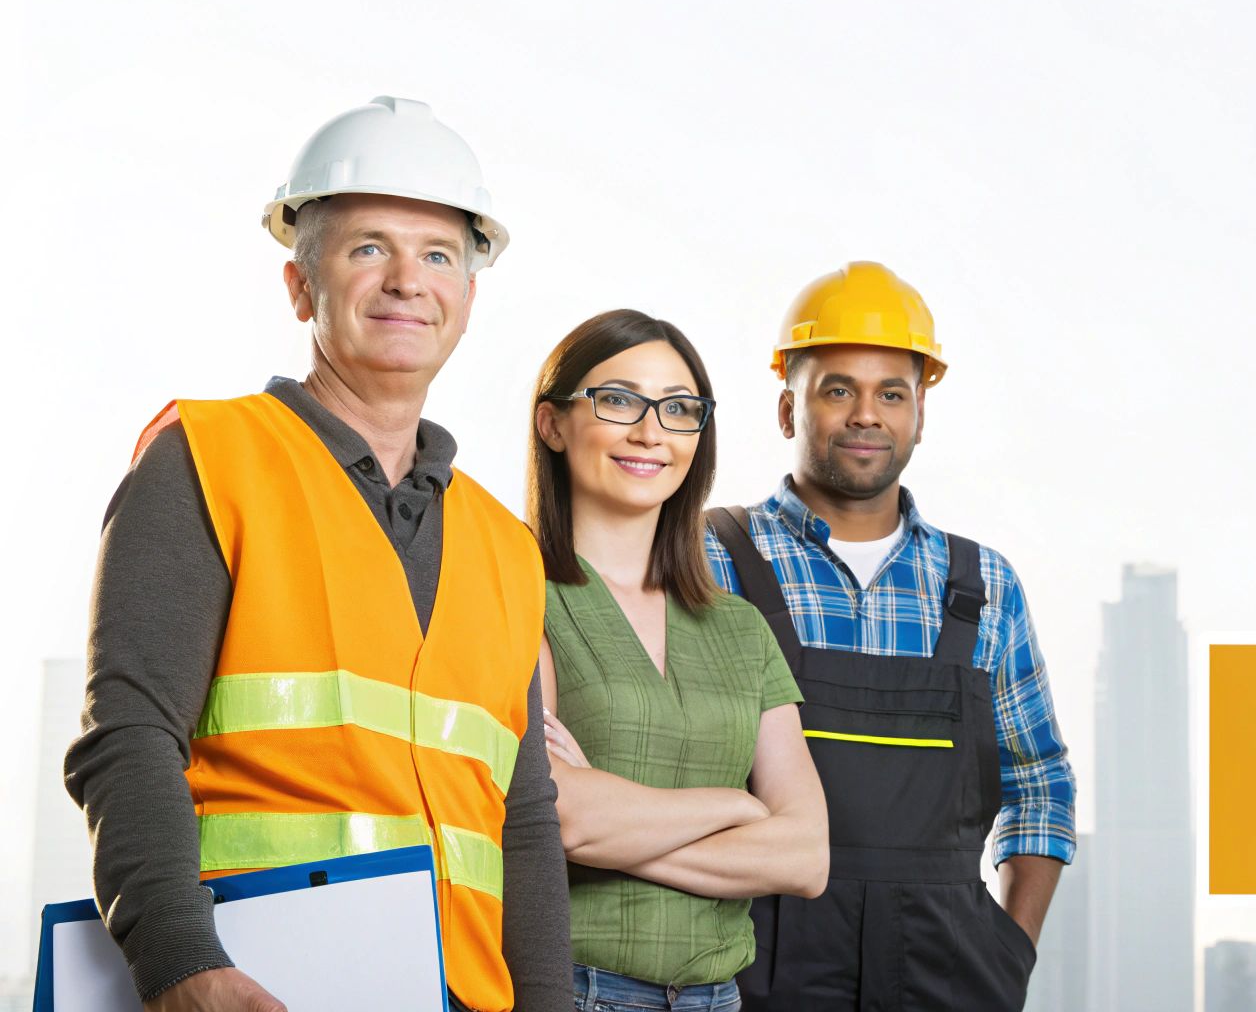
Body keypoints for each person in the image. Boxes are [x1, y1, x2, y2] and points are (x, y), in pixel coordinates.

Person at [64, 97, 568, 1012]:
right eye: (369, 247)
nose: (407, 280)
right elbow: (129, 733)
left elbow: (522, 820)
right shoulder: (207, 458)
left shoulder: (506, 545)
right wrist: (178, 961)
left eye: (439, 255)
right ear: (301, 287)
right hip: (256, 982)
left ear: (468, 300)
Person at [703, 261, 1077, 1010]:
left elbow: (1040, 784)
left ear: (920, 415)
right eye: (838, 390)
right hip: (755, 977)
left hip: (949, 980)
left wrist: (1010, 951)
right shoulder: (710, 559)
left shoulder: (985, 587)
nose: (866, 415)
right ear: (788, 409)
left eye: (892, 394)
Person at [528, 310, 828, 1012]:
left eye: (679, 408)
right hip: (576, 991)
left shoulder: (740, 627)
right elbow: (561, 817)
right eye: (618, 400)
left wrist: (613, 824)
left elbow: (807, 856)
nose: (650, 431)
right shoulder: (518, 591)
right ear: (553, 424)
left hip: (716, 998)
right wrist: (737, 806)